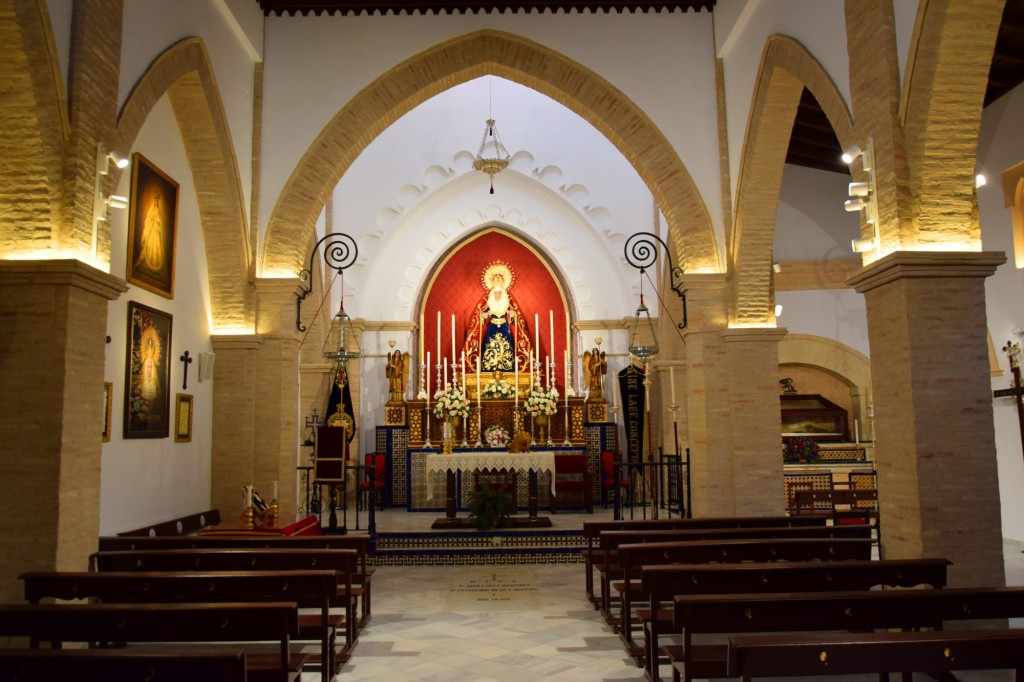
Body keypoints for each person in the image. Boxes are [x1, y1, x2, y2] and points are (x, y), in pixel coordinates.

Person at [476, 261, 522, 372]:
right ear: (493, 294)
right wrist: (486, 315)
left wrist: (512, 314)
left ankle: (507, 368)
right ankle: (489, 368)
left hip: (504, 327)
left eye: (499, 293)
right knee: (490, 345)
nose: (498, 294)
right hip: (492, 327)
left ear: (503, 293)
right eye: (496, 293)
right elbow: (482, 315)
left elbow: (514, 315)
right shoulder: (489, 303)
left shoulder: (507, 303)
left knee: (507, 345)